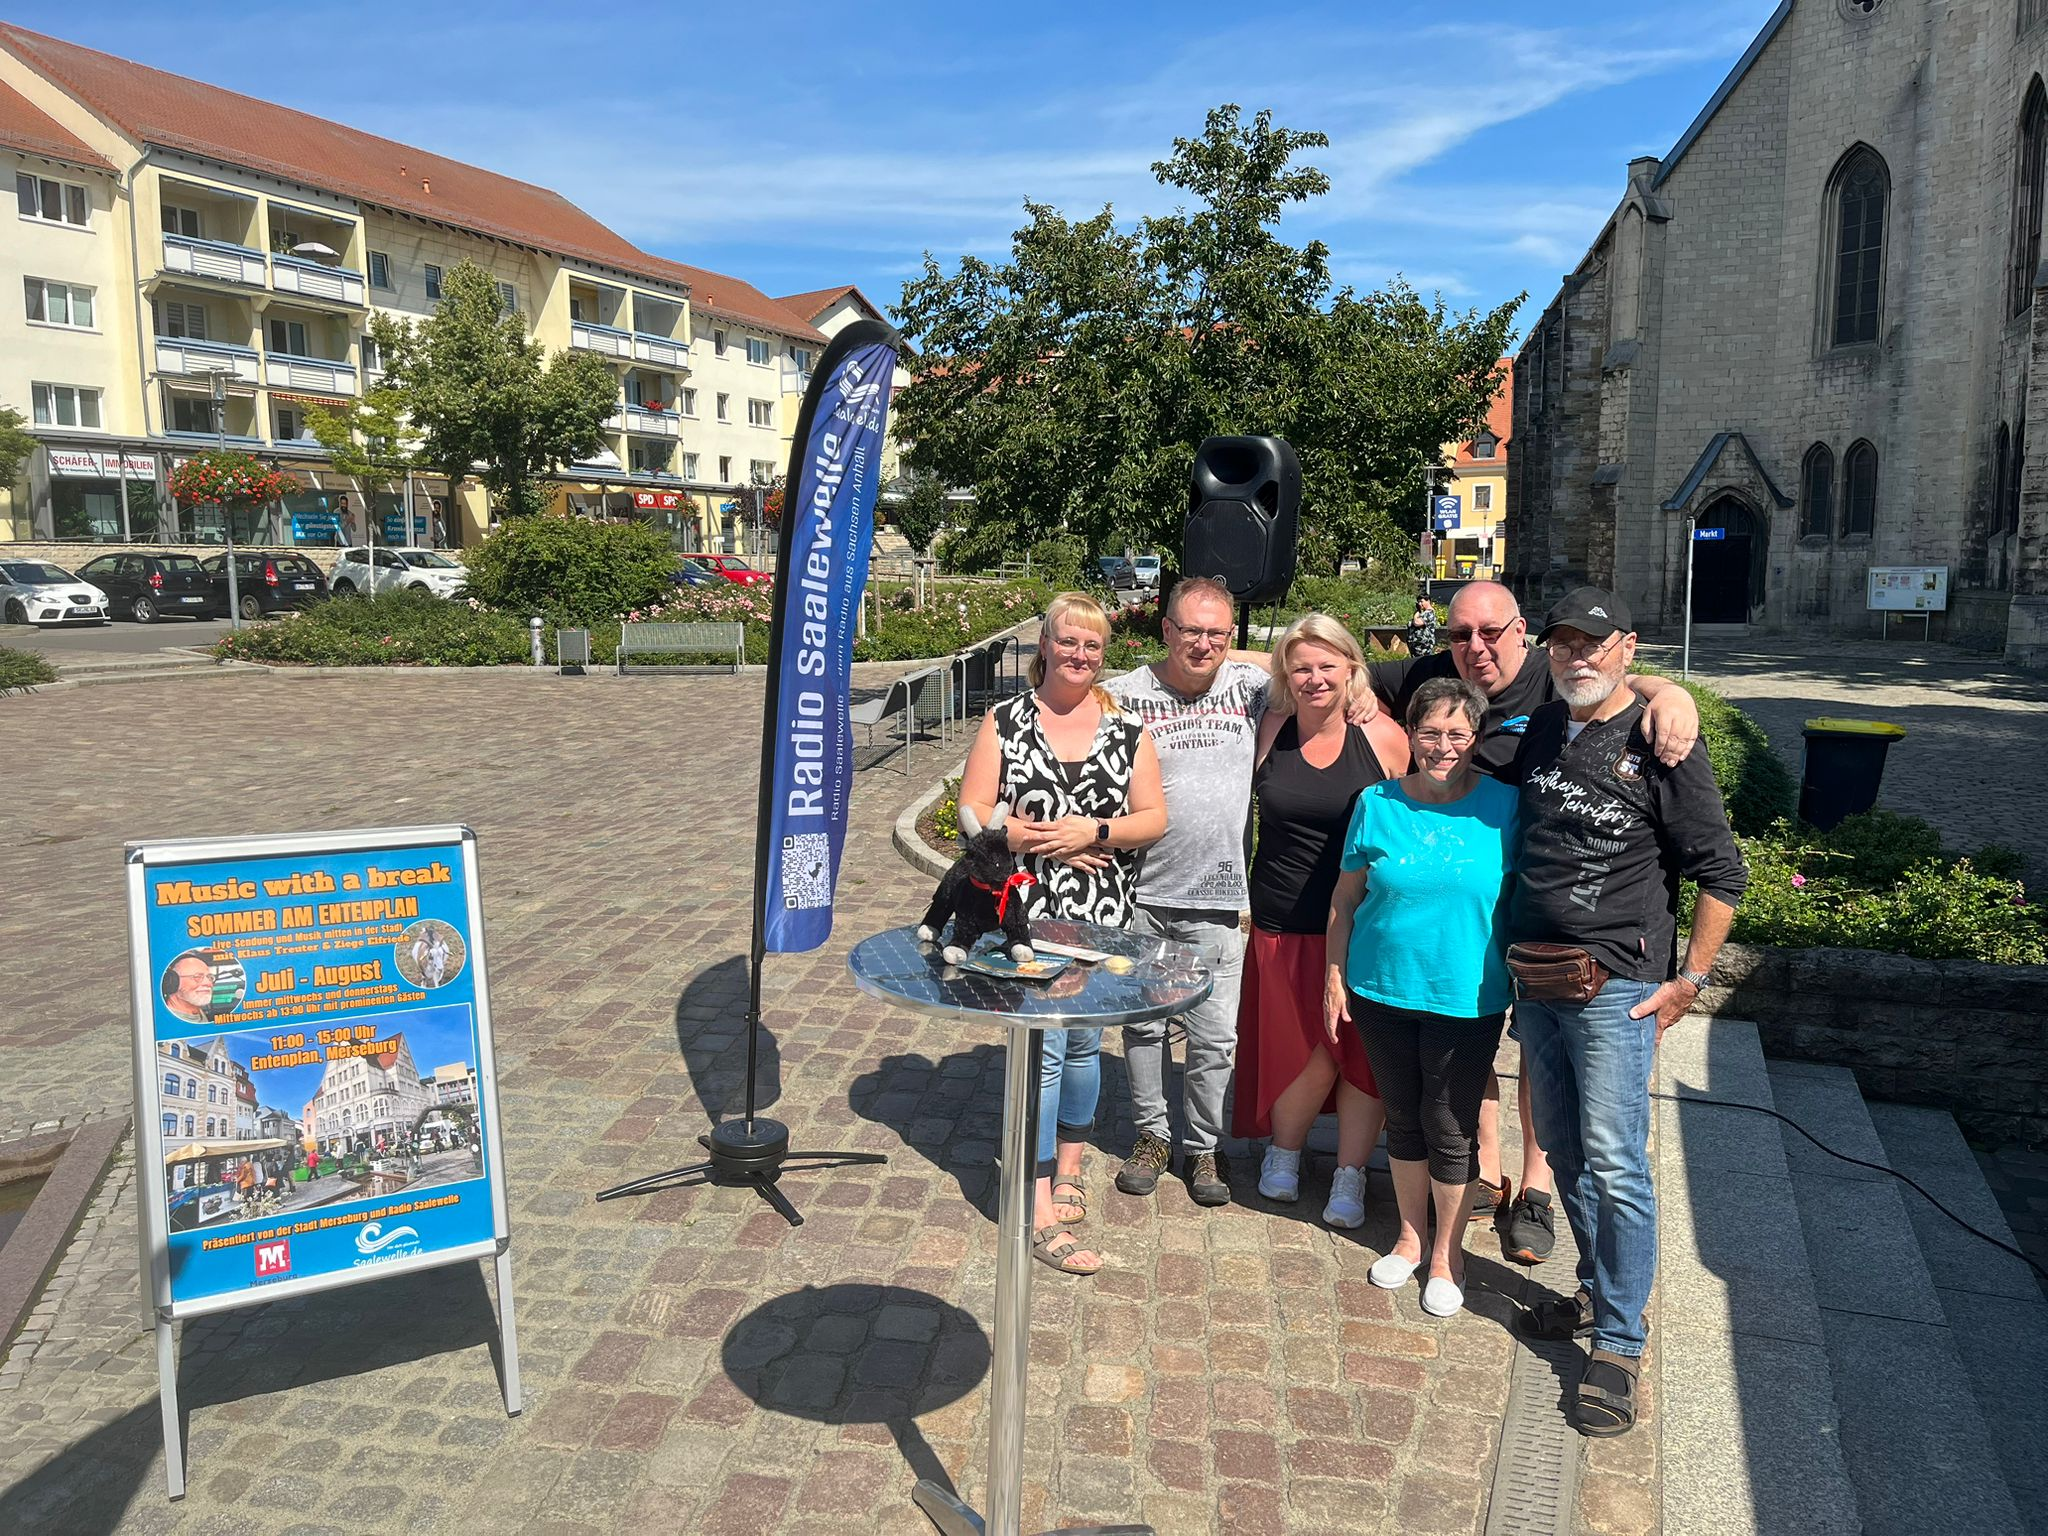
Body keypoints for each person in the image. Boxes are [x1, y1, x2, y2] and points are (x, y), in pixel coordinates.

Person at [1357, 581, 1701, 1266]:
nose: (1475, 647)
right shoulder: (1437, 671)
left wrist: (1672, 693)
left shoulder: (1554, 674)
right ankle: (1483, 1172)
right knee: (1470, 1056)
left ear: (1521, 632)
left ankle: (1536, 1193)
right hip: (1478, 907)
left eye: (1490, 632)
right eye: (1460, 634)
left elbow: (1614, 674)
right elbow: (1328, 663)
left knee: (1544, 1081)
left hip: (1561, 920)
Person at [1507, 588, 1746, 1436]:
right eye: (1564, 642)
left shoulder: (1662, 743)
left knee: (1615, 1161)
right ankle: (1598, 1289)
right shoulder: (1544, 727)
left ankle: (1618, 1342)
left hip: (1616, 988)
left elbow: (1722, 872)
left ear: (1627, 647)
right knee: (1565, 1147)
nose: (1578, 656)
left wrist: (1691, 981)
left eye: (1594, 643)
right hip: (1538, 977)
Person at [959, 590, 1167, 1275]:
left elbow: (1153, 819)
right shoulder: (1005, 720)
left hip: (1102, 914)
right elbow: (972, 810)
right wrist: (1042, 838)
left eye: (1092, 644)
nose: (1079, 654)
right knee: (1043, 1051)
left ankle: (1069, 1165)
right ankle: (1037, 1198)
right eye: (1068, 641)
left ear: (1104, 654)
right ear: (1045, 645)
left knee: (1082, 1045)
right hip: (1025, 912)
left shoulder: (1127, 727)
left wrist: (1095, 831)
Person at [1327, 677, 1519, 1317]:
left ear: (1476, 739)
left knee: (1449, 1123)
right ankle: (1410, 1239)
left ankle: (1447, 1255)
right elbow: (1346, 898)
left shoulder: (1506, 807)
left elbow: (1528, 900)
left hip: (1467, 994)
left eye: (1457, 734)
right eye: (1429, 732)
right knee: (1403, 1115)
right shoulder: (1376, 803)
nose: (1442, 746)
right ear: (1409, 734)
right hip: (1380, 987)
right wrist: (1334, 974)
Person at [1105, 576, 1276, 1208]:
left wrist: (1360, 695)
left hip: (1219, 899)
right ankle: (1152, 1136)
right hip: (1141, 894)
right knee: (1144, 1026)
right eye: (1190, 631)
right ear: (1166, 630)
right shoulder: (1125, 695)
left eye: (1216, 633)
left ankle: (1204, 1145)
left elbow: (1314, 658)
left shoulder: (1249, 687)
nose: (1202, 645)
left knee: (1214, 1037)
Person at [1238, 615, 1408, 1228]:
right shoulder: (1271, 726)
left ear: (1352, 668)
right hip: (1281, 918)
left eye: (1328, 665)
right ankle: (1284, 1152)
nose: (1315, 678)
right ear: (1286, 673)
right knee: (1303, 1048)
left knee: (1358, 1050)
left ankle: (1350, 1171)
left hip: (1366, 925)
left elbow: (1414, 820)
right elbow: (1229, 660)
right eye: (1300, 667)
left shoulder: (1383, 737)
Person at [163, 954, 215, 1025]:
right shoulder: (167, 1022)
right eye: (197, 977)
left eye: (209, 977)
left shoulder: (194, 1010)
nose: (208, 983)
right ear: (173, 981)